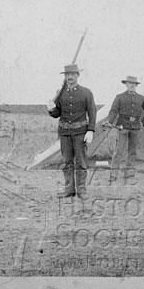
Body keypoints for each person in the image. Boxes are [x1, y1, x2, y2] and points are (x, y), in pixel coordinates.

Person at [47, 64, 97, 199]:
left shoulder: (86, 92)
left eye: (73, 74)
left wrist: (90, 130)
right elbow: (57, 113)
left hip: (80, 133)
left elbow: (92, 112)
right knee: (67, 162)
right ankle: (69, 189)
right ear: (65, 76)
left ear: (78, 76)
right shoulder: (60, 92)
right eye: (67, 75)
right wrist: (51, 109)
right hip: (64, 133)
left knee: (81, 162)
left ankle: (82, 190)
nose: (70, 77)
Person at [104, 75, 144, 170]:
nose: (132, 85)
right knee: (119, 150)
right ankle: (114, 170)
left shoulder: (140, 98)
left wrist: (143, 123)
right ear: (126, 84)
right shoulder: (119, 97)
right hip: (122, 127)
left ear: (136, 85)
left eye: (134, 84)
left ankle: (130, 170)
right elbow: (113, 111)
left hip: (135, 127)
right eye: (130, 83)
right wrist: (109, 121)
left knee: (132, 151)